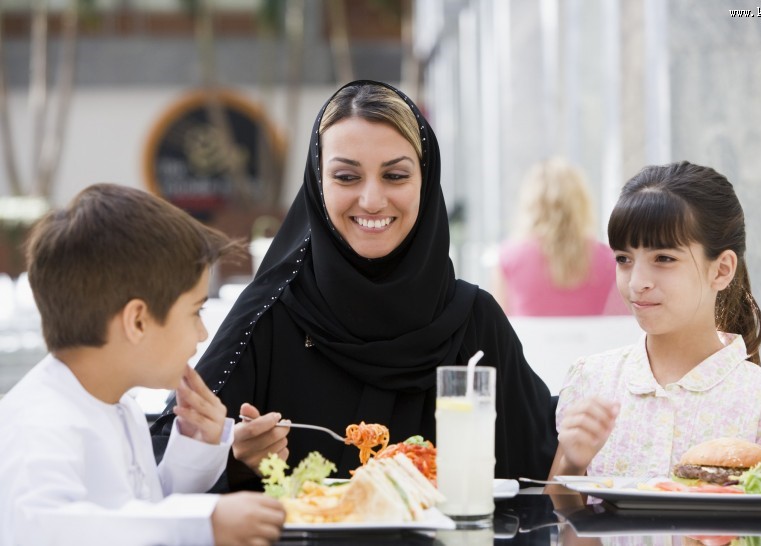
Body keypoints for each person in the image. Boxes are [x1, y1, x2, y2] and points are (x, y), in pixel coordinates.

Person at [151, 80, 558, 489]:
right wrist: (232, 459)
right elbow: (165, 462)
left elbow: (537, 470)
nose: (372, 200)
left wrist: (579, 440)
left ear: (426, 181)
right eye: (346, 177)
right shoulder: (269, 315)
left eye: (395, 175)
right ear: (317, 183)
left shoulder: (474, 321)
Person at [0, 184, 286, 545]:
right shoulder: (39, 422)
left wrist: (197, 447)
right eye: (195, 312)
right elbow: (45, 530)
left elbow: (140, 509)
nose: (201, 334)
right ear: (137, 321)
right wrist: (204, 523)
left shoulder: (120, 407)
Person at [547, 161, 761, 493]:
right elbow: (555, 526)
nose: (637, 282)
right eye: (624, 259)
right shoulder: (590, 380)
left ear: (721, 269)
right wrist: (572, 463)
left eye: (664, 259)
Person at [493, 158, 626, 316]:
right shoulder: (609, 259)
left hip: (526, 342)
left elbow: (496, 329)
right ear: (581, 202)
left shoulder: (509, 258)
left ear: (531, 204)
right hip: (600, 341)